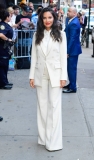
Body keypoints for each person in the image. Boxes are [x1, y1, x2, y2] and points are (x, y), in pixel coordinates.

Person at [29, 7, 67, 151]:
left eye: (50, 18)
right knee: (42, 107)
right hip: (41, 74)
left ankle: (54, 142)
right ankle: (43, 138)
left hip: (56, 75)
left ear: (54, 18)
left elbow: (63, 58)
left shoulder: (61, 35)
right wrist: (31, 76)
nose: (47, 20)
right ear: (41, 20)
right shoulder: (36, 35)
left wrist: (64, 77)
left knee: (54, 107)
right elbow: (35, 58)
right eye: (44, 18)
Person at [63, 7, 82, 93]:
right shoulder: (72, 20)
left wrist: (67, 51)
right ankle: (71, 84)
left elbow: (72, 39)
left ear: (74, 13)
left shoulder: (74, 23)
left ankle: (73, 87)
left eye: (69, 11)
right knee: (70, 68)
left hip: (72, 51)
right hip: (73, 49)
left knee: (71, 69)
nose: (68, 13)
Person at [0, 10, 13, 90]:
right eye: (10, 16)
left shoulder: (5, 25)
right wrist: (8, 39)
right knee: (2, 65)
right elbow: (0, 34)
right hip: (2, 47)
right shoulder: (2, 25)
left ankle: (5, 81)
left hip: (5, 48)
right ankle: (3, 83)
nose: (10, 17)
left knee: (5, 65)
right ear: (6, 17)